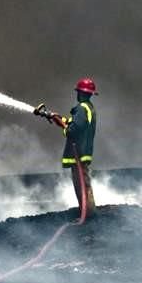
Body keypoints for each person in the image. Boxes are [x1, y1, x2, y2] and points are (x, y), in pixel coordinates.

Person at [36, 78, 98, 218]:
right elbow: (73, 124)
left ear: (80, 93)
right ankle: (88, 213)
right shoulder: (88, 108)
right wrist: (57, 118)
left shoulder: (81, 109)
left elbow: (72, 131)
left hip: (79, 153)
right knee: (84, 184)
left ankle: (88, 216)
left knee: (81, 185)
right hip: (83, 153)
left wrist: (64, 127)